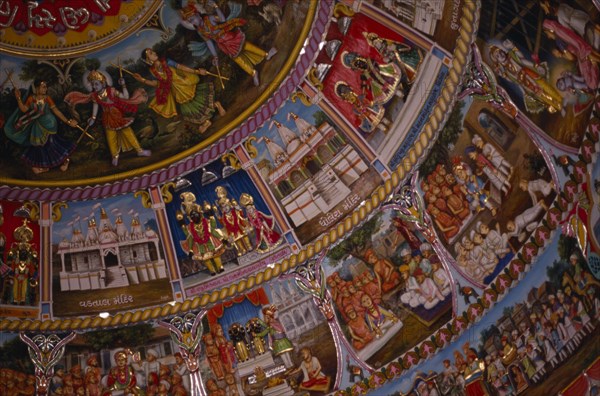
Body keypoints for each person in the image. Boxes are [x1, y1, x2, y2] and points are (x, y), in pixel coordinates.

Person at [178, 0, 276, 86]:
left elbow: (223, 19)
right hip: (223, 45)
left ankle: (266, 54)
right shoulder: (200, 31)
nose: (193, 22)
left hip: (228, 36)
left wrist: (216, 7)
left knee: (246, 46)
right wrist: (215, 56)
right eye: (190, 21)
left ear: (198, 14)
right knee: (237, 58)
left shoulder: (209, 19)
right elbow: (209, 43)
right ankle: (253, 73)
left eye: (193, 18)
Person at [64, 70, 151, 167]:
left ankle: (139, 150)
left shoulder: (112, 91)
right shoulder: (95, 96)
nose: (94, 86)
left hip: (117, 115)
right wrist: (93, 118)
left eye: (96, 84)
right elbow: (96, 107)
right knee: (111, 137)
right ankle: (115, 156)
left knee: (127, 132)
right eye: (92, 84)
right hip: (107, 117)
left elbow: (125, 97)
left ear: (103, 83)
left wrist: (123, 85)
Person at [135, 48, 225, 133]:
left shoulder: (166, 61)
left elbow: (181, 67)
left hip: (183, 84)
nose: (154, 53)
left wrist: (197, 71)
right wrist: (142, 80)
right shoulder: (153, 71)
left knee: (199, 101)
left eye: (153, 51)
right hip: (176, 92)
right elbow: (156, 83)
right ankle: (208, 118)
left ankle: (213, 110)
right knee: (191, 108)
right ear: (148, 60)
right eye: (151, 53)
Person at [5, 79, 77, 174]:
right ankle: (44, 166)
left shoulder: (47, 98)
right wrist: (18, 98)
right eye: (43, 87)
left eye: (46, 87)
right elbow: (24, 109)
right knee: (40, 146)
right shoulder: (31, 98)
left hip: (49, 124)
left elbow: (56, 111)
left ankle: (65, 160)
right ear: (37, 88)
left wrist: (68, 121)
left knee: (51, 144)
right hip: (37, 125)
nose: (45, 89)